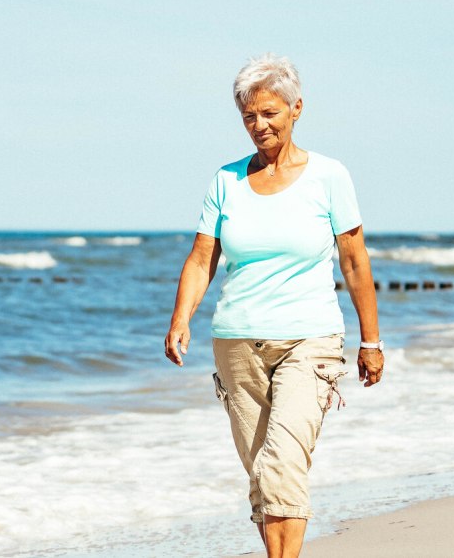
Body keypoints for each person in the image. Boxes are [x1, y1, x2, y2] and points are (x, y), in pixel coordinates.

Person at [164, 53, 384, 558]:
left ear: (296, 109)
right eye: (248, 116)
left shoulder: (329, 177)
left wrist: (372, 341)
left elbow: (354, 261)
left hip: (310, 340)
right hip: (237, 342)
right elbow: (202, 259)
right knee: (263, 471)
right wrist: (181, 318)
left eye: (269, 113)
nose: (258, 125)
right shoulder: (226, 180)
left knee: (283, 462)